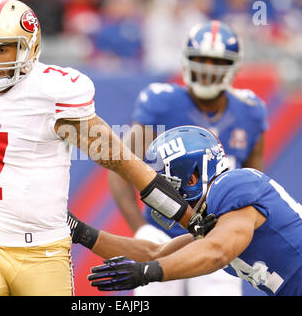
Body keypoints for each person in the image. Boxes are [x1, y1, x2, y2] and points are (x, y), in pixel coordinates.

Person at [0, 0, 189, 296]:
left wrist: (186, 216)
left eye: (2, 48)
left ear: (29, 48)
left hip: (43, 252)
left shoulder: (53, 92)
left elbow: (121, 162)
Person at [69, 125, 302, 296]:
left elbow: (218, 251)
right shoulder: (216, 219)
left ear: (193, 176)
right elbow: (155, 252)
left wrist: (146, 273)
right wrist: (80, 232)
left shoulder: (232, 186)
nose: (166, 196)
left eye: (168, 183)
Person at [107, 20, 267, 295]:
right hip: (163, 238)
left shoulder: (250, 111)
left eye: (215, 61)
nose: (206, 68)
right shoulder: (162, 103)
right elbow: (119, 169)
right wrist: (142, 230)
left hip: (216, 239)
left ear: (233, 66)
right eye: (200, 59)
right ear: (186, 60)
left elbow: (255, 185)